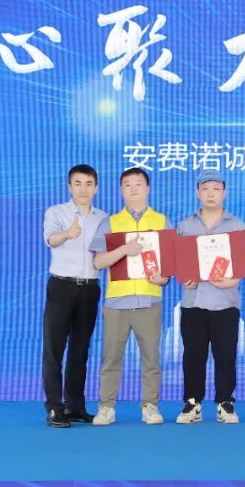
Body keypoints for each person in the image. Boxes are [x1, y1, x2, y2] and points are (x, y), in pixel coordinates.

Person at [88, 167, 172, 426]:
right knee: (111, 357)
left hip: (149, 300)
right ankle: (106, 407)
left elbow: (169, 267)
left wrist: (162, 278)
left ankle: (150, 406)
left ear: (148, 188)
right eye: (127, 184)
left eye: (138, 183)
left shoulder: (162, 221)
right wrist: (125, 249)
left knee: (151, 358)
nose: (133, 188)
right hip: (117, 302)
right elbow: (99, 262)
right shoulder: (111, 222)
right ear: (121, 190)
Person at [175, 172, 245, 425]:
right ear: (198, 193)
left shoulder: (237, 225)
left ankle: (225, 402)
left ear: (224, 193)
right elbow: (179, 263)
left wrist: (233, 280)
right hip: (193, 300)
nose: (210, 193)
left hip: (225, 301)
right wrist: (185, 277)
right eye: (205, 188)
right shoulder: (185, 226)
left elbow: (242, 264)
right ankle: (192, 403)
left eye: (216, 189)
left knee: (225, 355)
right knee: (193, 355)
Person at [41, 165, 108, 428]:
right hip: (62, 286)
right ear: (69, 187)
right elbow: (50, 239)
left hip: (90, 287)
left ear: (96, 188)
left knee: (81, 350)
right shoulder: (56, 212)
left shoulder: (103, 218)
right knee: (54, 348)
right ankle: (54, 407)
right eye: (78, 183)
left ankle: (75, 406)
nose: (83, 189)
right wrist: (68, 234)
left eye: (89, 184)